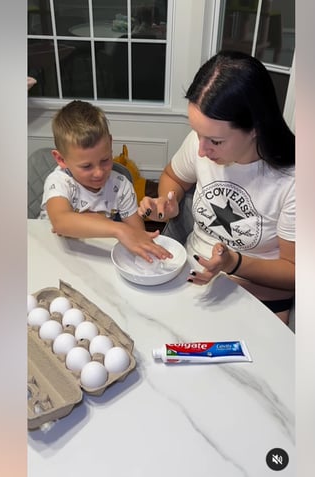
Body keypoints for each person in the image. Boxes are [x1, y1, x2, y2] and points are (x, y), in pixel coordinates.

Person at [139, 51, 295, 323]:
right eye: (197, 135)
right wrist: (168, 199)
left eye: (215, 141)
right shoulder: (204, 142)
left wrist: (234, 263)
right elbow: (172, 176)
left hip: (258, 298)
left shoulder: (293, 180)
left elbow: (294, 272)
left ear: (256, 126)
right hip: (191, 278)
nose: (201, 150)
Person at [40, 100, 171, 263]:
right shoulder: (59, 181)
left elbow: (137, 232)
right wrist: (118, 229)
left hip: (95, 257)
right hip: (52, 255)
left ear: (110, 143)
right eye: (86, 166)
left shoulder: (121, 185)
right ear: (61, 159)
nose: (99, 173)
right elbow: (60, 222)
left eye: (105, 160)